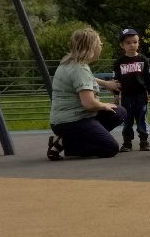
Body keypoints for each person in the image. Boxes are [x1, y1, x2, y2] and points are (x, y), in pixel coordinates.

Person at [48, 26, 127, 160]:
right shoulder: (80, 69)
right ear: (91, 47)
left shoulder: (69, 62)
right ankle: (68, 145)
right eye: (99, 44)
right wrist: (104, 105)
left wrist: (106, 83)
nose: (101, 46)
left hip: (65, 120)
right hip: (73, 121)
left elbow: (85, 79)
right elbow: (89, 104)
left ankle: (65, 141)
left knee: (119, 112)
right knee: (110, 148)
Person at [112, 27, 150, 152]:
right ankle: (127, 143)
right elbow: (116, 80)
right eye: (128, 43)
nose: (132, 45)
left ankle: (144, 141)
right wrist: (116, 95)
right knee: (127, 119)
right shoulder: (119, 62)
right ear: (122, 45)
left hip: (141, 95)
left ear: (138, 42)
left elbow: (148, 78)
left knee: (142, 118)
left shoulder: (143, 60)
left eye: (135, 42)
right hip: (127, 96)